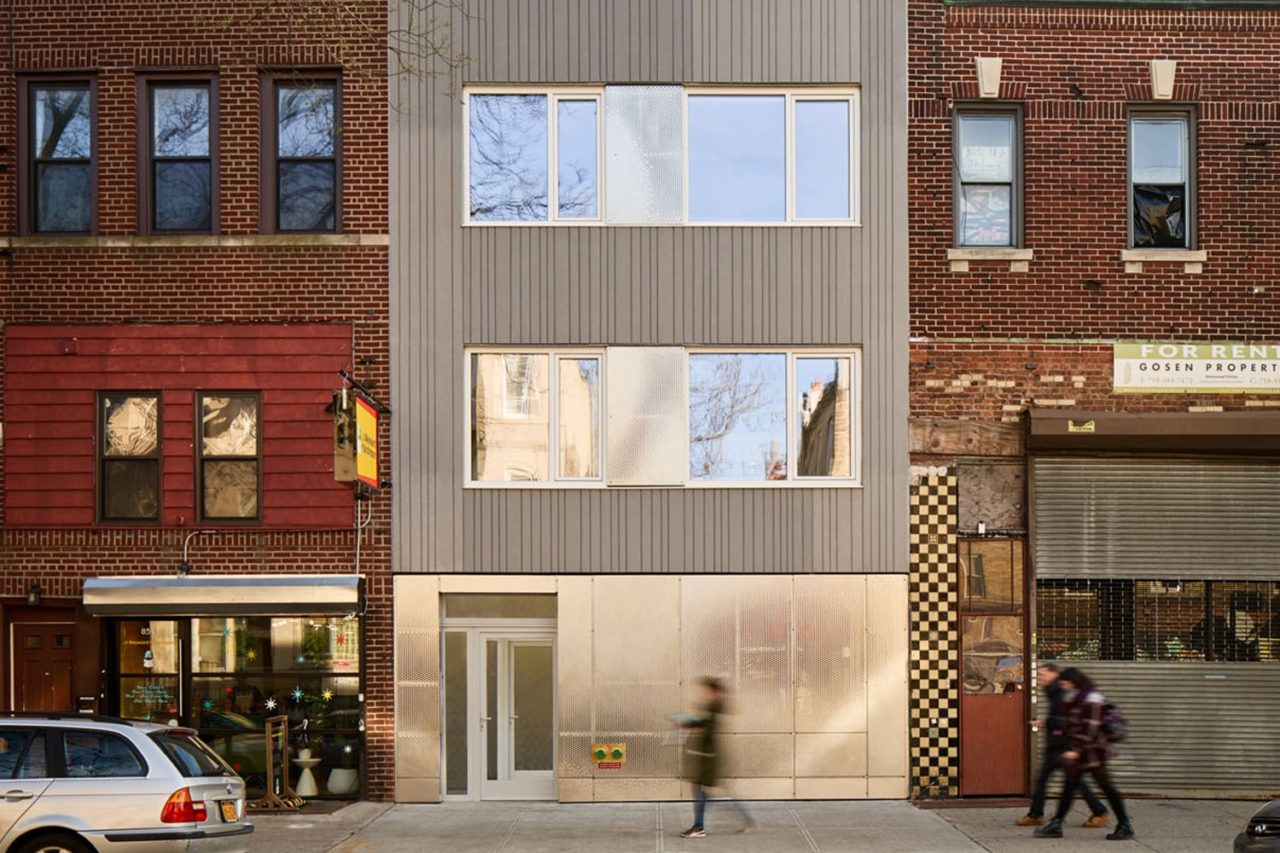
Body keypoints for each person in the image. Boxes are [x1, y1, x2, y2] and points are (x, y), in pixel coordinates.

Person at [1033, 668, 1134, 841]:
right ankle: (1056, 823)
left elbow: (1090, 729)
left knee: (1107, 788)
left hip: (1093, 752)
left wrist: (1075, 750)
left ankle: (1124, 824)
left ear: (1072, 682)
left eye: (1064, 683)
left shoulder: (1091, 699)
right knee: (1069, 787)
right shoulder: (1073, 698)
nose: (1062, 686)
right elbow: (1070, 724)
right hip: (1080, 751)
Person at [1017, 663, 1109, 828]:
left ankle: (1099, 811)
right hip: (1055, 743)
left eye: (1042, 674)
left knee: (1075, 782)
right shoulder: (1052, 691)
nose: (1039, 678)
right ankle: (1036, 814)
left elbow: (1066, 719)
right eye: (1038, 675)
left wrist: (1046, 722)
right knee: (1043, 780)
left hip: (1064, 744)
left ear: (1054, 674)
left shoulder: (1060, 692)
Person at [678, 677, 753, 838]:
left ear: (715, 692)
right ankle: (745, 819)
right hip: (707, 757)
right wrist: (692, 723)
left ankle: (699, 827)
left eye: (709, 691)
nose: (706, 694)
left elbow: (708, 729)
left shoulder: (716, 708)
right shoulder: (712, 707)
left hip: (710, 759)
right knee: (704, 793)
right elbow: (704, 723)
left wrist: (692, 724)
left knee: (701, 791)